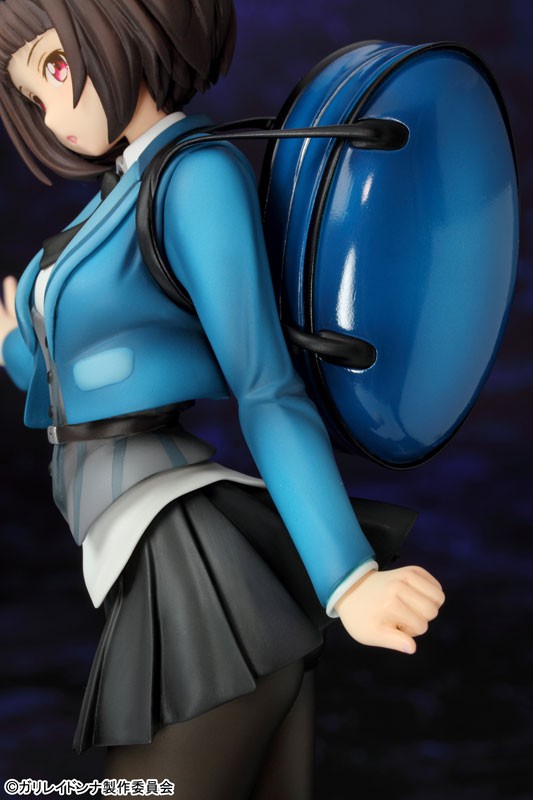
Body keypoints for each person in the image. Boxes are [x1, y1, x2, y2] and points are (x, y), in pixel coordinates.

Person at [0, 1, 444, 797]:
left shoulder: (194, 176)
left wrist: (348, 579)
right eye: (32, 98)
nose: (51, 116)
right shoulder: (111, 201)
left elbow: (265, 386)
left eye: (56, 69)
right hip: (143, 554)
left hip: (189, 560)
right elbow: (72, 382)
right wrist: (14, 343)